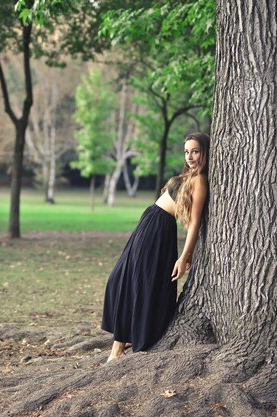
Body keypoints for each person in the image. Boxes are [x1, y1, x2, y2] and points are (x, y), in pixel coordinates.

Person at [101, 132, 210, 362]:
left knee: (136, 281)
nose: (190, 156)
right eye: (187, 151)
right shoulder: (189, 175)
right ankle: (128, 336)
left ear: (205, 152)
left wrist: (184, 256)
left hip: (159, 230)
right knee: (121, 277)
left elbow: (194, 223)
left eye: (195, 151)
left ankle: (117, 350)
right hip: (149, 223)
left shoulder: (199, 180)